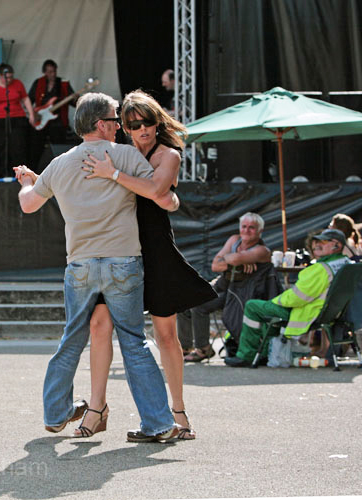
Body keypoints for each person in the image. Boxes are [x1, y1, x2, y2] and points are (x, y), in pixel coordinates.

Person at [14, 92, 182, 443]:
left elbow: (29, 205)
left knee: (72, 338)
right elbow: (161, 196)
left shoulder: (60, 163)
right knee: (134, 341)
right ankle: (158, 421)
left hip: (80, 265)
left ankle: (56, 412)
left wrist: (29, 181)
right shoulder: (126, 156)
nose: (121, 126)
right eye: (115, 119)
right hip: (124, 261)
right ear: (101, 124)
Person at [79, 90, 216, 440]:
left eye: (148, 122)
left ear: (157, 122)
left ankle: (179, 414)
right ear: (122, 126)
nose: (142, 129)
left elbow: (157, 189)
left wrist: (116, 176)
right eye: (133, 123)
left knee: (166, 334)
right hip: (114, 248)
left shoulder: (167, 154)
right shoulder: (116, 153)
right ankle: (97, 409)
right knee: (99, 325)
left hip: (153, 250)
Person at [224, 228, 351, 367]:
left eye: (324, 241)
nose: (317, 244)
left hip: (307, 313)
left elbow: (296, 298)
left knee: (253, 306)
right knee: (266, 310)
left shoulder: (321, 269)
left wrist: (275, 301)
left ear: (337, 245)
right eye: (317, 241)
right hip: (330, 313)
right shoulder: (345, 263)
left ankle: (246, 356)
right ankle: (265, 353)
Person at [177, 212, 272, 362]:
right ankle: (183, 348)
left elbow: (228, 259)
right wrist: (239, 260)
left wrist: (234, 259)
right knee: (185, 300)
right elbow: (215, 265)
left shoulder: (262, 250)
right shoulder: (234, 240)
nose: (246, 231)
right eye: (244, 226)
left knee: (199, 306)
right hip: (224, 285)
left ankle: (203, 349)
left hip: (242, 292)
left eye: (251, 228)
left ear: (260, 232)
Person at [0, 63, 35, 178]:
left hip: (17, 118)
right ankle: (0, 175)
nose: (9, 80)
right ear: (0, 76)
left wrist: (31, 114)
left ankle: (19, 176)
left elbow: (25, 99)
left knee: (17, 147)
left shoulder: (18, 84)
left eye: (11, 77)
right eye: (7, 77)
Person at [27, 59, 76, 169]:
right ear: (44, 72)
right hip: (41, 119)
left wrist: (75, 98)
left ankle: (60, 171)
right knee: (36, 148)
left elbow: (74, 103)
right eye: (49, 72)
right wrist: (33, 114)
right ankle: (33, 171)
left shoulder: (63, 83)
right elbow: (29, 100)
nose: (52, 74)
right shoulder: (38, 83)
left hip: (58, 122)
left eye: (54, 71)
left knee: (59, 150)